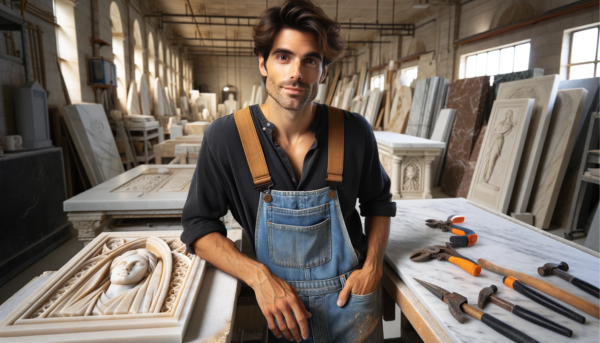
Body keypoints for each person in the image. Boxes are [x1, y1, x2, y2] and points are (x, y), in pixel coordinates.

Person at [181, 0, 396, 341]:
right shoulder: (225, 137)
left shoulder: (354, 131)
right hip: (278, 312)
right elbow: (198, 226)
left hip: (352, 303)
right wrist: (258, 277)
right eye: (284, 57)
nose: (296, 73)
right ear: (263, 62)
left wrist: (372, 267)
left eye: (310, 60)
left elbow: (378, 203)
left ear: (323, 70)